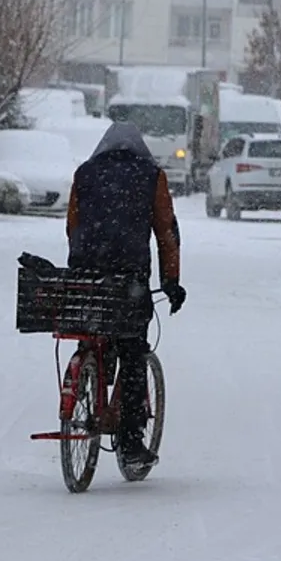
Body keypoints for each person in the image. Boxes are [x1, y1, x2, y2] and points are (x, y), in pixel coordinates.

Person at [66, 121, 187, 467]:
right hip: (128, 276)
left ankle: (91, 375)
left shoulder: (85, 173)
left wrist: (83, 263)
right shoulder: (151, 176)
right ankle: (132, 441)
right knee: (133, 351)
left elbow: (73, 225)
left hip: (88, 275)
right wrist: (171, 281)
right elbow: (166, 232)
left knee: (93, 330)